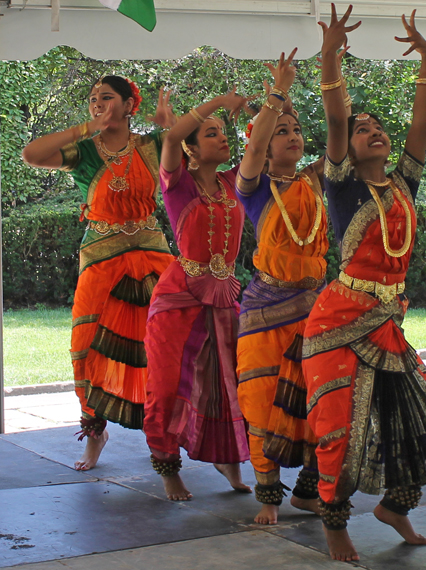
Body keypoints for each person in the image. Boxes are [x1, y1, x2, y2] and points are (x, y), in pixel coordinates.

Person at [302, 5, 426, 562]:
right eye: (360, 129)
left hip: (389, 323)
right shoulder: (342, 185)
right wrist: (329, 59)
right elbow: (334, 114)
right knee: (338, 434)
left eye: (378, 127)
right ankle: (333, 524)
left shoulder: (405, 183)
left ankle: (396, 506)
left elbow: (422, 123)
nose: (372, 132)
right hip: (337, 322)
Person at [22, 76, 174, 471]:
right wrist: (88, 127)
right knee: (86, 348)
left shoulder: (153, 146)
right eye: (92, 99)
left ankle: (166, 435)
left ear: (129, 104)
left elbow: (203, 155)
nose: (97, 104)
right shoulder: (85, 151)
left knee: (167, 345)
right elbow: (32, 154)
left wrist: (169, 127)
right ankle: (95, 432)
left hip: (152, 255)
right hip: (102, 258)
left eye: (106, 98)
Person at [236, 49, 345, 524]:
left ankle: (307, 489)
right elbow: (255, 150)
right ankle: (267, 495)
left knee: (317, 401)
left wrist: (330, 75)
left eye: (297, 129)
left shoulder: (316, 181)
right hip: (265, 310)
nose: (293, 135)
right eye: (283, 130)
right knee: (261, 399)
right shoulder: (254, 186)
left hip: (315, 309)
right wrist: (277, 97)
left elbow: (341, 138)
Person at [143, 89, 252, 501]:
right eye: (210, 134)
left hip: (225, 296)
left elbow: (262, 144)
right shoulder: (177, 184)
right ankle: (167, 464)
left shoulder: (232, 182)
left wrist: (267, 103)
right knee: (169, 385)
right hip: (179, 298)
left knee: (230, 383)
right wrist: (219, 100)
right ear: (191, 150)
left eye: (223, 133)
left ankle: (229, 458)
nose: (222, 138)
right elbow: (170, 140)